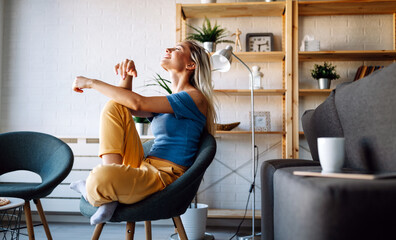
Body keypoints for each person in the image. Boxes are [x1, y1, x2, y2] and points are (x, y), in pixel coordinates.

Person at [70, 40, 216, 225]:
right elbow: (124, 104)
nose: (168, 49)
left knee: (98, 179)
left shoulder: (195, 98)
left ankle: (103, 190)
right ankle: (110, 190)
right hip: (144, 165)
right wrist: (127, 75)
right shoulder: (169, 100)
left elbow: (137, 103)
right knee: (113, 107)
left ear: (191, 65)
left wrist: (91, 82)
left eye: (177, 49)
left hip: (164, 175)